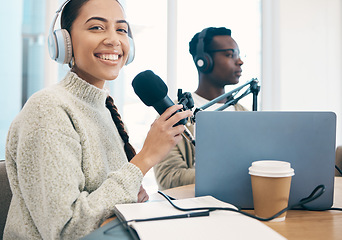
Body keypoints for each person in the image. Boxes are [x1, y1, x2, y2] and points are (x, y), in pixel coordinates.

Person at [4, 0, 191, 239]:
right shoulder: (47, 109)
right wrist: (146, 157)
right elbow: (67, 230)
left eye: (121, 29)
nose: (113, 39)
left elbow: (103, 199)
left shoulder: (102, 107)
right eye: (96, 27)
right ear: (64, 42)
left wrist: (130, 193)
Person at [154, 27, 248, 190]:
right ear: (204, 61)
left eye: (239, 54)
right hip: (193, 209)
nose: (239, 61)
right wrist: (232, 176)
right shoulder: (174, 115)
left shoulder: (247, 115)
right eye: (230, 54)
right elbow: (169, 177)